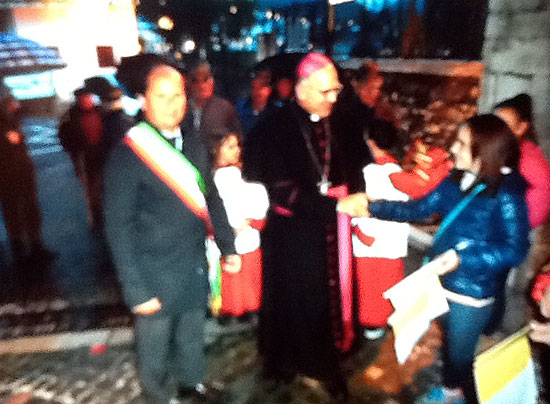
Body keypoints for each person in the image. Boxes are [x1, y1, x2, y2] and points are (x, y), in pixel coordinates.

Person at [365, 114, 530, 404]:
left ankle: (461, 393)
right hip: (438, 281)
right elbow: (420, 208)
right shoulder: (455, 179)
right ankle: (452, 389)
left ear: (485, 152)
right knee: (449, 343)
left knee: (460, 354)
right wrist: (371, 207)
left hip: (471, 293)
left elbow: (516, 249)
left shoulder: (506, 194)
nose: (453, 149)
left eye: (462, 144)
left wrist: (463, 259)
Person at [103, 65, 240, 404]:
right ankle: (160, 397)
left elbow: (210, 197)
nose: (171, 104)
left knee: (192, 335)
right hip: (153, 276)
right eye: (161, 96)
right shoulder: (128, 154)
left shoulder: (193, 142)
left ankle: (192, 385)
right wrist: (135, 289)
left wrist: (228, 245)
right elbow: (117, 228)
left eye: (177, 94)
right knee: (155, 348)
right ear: (144, 100)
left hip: (192, 265)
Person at [243, 52, 369, 400]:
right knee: (297, 300)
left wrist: (358, 195)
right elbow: (278, 191)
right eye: (325, 92)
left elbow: (357, 166)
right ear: (301, 89)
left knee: (332, 297)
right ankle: (288, 362)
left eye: (335, 90)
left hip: (336, 231)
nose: (333, 98)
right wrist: (334, 203)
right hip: (292, 236)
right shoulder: (273, 130)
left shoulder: (341, 120)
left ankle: (328, 362)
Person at [351, 119, 410, 340]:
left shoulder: (367, 173)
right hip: (392, 242)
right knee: (387, 285)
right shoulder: (400, 173)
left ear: (371, 142)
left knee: (369, 287)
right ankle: (386, 321)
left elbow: (358, 206)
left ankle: (369, 325)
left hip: (369, 240)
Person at [212, 130, 269, 324]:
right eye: (229, 147)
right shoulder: (214, 178)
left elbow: (256, 202)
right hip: (225, 237)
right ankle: (230, 309)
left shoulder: (244, 175)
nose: (236, 151)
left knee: (248, 275)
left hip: (247, 237)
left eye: (237, 146)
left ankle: (249, 308)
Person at [0, 83, 55, 265]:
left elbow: (20, 137)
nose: (12, 101)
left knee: (30, 205)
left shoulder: (15, 114)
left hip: (23, 167)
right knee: (11, 208)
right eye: (8, 99)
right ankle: (18, 246)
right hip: (4, 170)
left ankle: (36, 244)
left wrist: (16, 117)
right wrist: (5, 137)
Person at [183, 62, 242, 160]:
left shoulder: (224, 108)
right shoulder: (181, 108)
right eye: (196, 81)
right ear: (189, 83)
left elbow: (238, 139)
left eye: (206, 80)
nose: (201, 85)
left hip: (217, 165)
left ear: (212, 82)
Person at [237, 70, 272, 137]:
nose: (258, 92)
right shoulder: (240, 107)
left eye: (262, 87)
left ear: (269, 89)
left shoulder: (277, 110)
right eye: (255, 88)